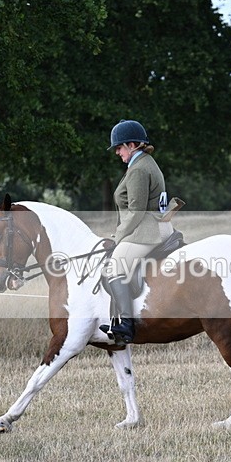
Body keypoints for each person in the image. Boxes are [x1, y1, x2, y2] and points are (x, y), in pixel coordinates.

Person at [100, 119, 173, 344]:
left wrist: (118, 237)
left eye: (120, 147)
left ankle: (126, 325)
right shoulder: (147, 163)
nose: (117, 153)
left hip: (147, 230)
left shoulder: (139, 169)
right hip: (156, 226)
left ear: (133, 145)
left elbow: (136, 212)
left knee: (114, 268)